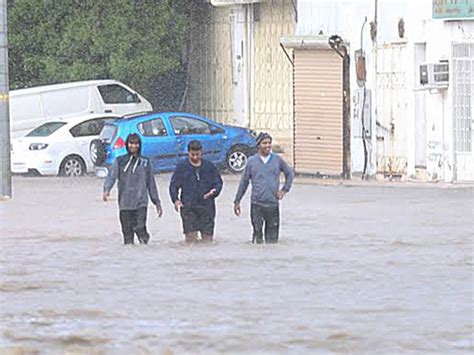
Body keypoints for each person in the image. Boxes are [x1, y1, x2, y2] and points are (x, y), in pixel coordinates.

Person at [233, 132, 294, 244]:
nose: (267, 146)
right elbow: (244, 182)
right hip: (257, 205)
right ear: (258, 145)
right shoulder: (251, 162)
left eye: (269, 143)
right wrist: (237, 201)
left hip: (272, 205)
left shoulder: (277, 160)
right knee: (257, 239)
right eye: (264, 143)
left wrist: (284, 190)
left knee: (272, 241)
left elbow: (290, 173)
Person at [103, 133, 163, 245]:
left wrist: (157, 202)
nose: (133, 146)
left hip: (141, 203)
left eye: (136, 143)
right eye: (131, 143)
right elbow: (111, 176)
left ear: (139, 145)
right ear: (127, 144)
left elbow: (151, 183)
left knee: (140, 228)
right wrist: (107, 190)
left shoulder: (145, 162)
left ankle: (145, 248)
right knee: (127, 235)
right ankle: (130, 260)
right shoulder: (120, 161)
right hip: (125, 203)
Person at [169, 140, 223, 243]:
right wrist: (176, 200)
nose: (195, 157)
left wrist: (214, 191)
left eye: (197, 154)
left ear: (201, 152)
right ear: (188, 153)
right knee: (190, 241)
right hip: (188, 207)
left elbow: (218, 182)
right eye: (192, 154)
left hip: (207, 207)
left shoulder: (209, 166)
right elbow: (173, 186)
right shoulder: (182, 167)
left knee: (208, 242)